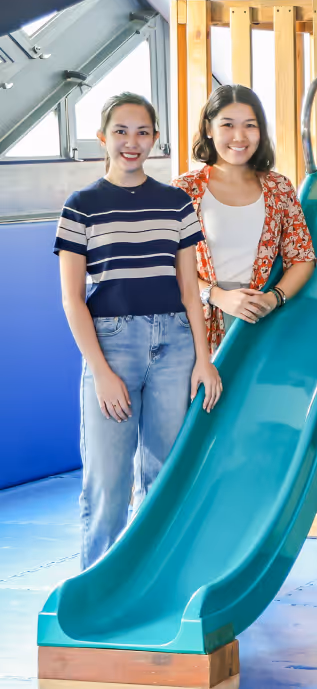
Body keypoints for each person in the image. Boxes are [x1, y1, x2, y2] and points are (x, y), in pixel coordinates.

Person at [55, 92, 222, 568]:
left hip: (176, 347)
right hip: (111, 346)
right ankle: (98, 594)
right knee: (107, 482)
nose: (132, 142)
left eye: (143, 132)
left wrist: (203, 359)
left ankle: (155, 586)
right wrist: (101, 372)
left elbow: (191, 291)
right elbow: (72, 300)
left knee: (164, 476)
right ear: (102, 138)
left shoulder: (176, 204)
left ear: (155, 139)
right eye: (122, 132)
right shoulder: (81, 205)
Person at [173, 85, 315, 350]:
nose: (239, 136)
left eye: (250, 125)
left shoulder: (279, 187)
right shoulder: (184, 189)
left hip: (263, 322)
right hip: (195, 324)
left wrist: (274, 299)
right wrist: (217, 296)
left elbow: (303, 258)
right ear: (208, 128)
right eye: (227, 125)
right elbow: (167, 265)